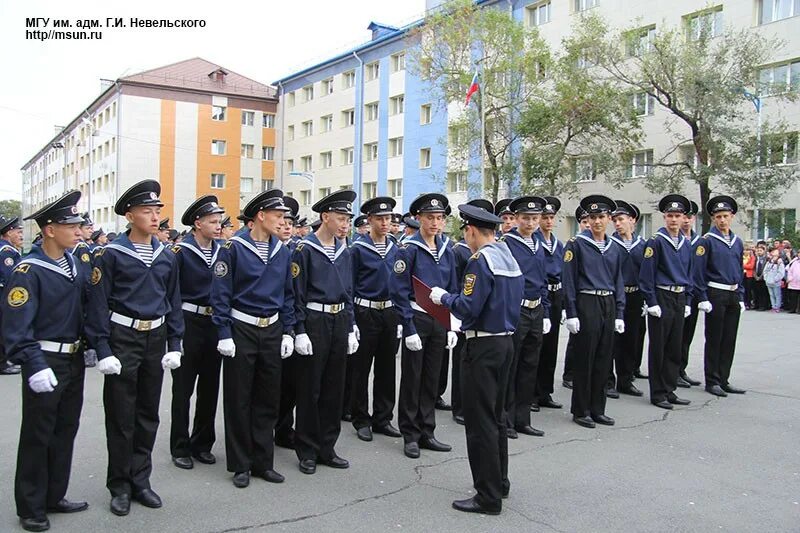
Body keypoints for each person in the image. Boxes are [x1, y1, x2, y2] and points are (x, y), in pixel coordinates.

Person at [85, 179, 184, 516]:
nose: (155, 216)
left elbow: (173, 300)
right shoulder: (109, 254)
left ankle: (141, 480)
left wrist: (175, 342)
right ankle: (120, 485)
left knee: (147, 414)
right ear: (130, 215)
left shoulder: (166, 255)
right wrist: (102, 348)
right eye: (147, 211)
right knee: (121, 416)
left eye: (157, 210)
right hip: (122, 337)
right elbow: (97, 303)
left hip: (154, 338)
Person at [429, 204, 523, 515]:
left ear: (470, 230)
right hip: (505, 342)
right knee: (497, 418)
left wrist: (444, 297)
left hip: (482, 346)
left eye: (465, 232)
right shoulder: (507, 256)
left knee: (480, 423)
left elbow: (468, 307)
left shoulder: (480, 261)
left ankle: (487, 496)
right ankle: (501, 482)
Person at [3, 191, 89, 532]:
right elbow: (16, 325)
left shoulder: (74, 264)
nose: (79, 230)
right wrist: (33, 364)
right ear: (50, 230)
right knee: (38, 435)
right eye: (71, 225)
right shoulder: (28, 270)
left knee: (65, 430)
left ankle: (55, 494)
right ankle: (31, 505)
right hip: (45, 359)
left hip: (74, 357)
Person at [211, 189, 295, 487]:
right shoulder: (232, 248)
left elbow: (288, 294)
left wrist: (288, 330)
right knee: (239, 397)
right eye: (278, 215)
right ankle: (241, 464)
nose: (283, 221)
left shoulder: (282, 250)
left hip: (271, 329)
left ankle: (263, 461)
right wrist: (223, 333)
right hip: (241, 328)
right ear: (261, 215)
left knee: (267, 398)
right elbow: (220, 294)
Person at [291, 189, 359, 475]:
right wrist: (299, 329)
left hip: (339, 319)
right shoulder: (304, 250)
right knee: (310, 388)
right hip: (315, 320)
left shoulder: (345, 251)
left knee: (334, 387)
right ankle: (306, 449)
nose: (345, 225)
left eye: (348, 220)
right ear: (325, 217)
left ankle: (327, 446)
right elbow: (295, 292)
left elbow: (349, 291)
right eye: (341, 218)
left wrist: (352, 326)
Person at [391, 193, 458, 459]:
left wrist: (452, 325)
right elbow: (398, 290)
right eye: (430, 218)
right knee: (413, 378)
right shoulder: (408, 249)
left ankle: (427, 430)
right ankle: (410, 434)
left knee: (432, 377)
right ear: (418, 219)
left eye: (440, 218)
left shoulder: (447, 250)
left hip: (440, 320)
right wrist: (407, 327)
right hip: (417, 318)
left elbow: (452, 287)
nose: (435, 223)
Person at [168, 195, 225, 471]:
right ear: (197, 223)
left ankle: (202, 443)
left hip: (214, 324)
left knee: (210, 388)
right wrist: (174, 334)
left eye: (220, 221)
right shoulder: (180, 252)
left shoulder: (222, 250)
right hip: (188, 322)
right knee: (183, 389)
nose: (218, 226)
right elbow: (172, 294)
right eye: (213, 221)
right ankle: (180, 446)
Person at [562, 196, 625, 428]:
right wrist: (571, 312)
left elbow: (618, 280)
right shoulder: (576, 244)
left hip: (607, 302)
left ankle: (598, 408)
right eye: (592, 218)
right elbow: (568, 279)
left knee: (603, 358)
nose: (597, 222)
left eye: (601, 217)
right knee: (585, 358)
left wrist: (619, 312)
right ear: (587, 220)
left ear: (609, 219)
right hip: (586, 301)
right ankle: (581, 410)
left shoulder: (614, 248)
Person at [349, 197, 403, 442]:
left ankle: (383, 418)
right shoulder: (357, 249)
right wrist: (352, 323)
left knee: (387, 368)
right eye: (380, 218)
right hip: (365, 312)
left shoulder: (395, 247)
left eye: (388, 218)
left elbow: (402, 285)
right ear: (369, 220)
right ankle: (361, 418)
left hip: (390, 312)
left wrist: (402, 317)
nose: (385, 223)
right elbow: (348, 287)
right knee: (361, 369)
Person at [500, 196, 550, 438]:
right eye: (526, 218)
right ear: (516, 219)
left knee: (530, 365)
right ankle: (506, 420)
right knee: (512, 366)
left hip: (536, 309)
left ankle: (523, 419)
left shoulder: (539, 243)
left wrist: (546, 311)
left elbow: (543, 279)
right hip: (516, 309)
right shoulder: (507, 243)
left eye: (534, 218)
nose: (530, 223)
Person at [639, 194, 693, 410]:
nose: (673, 219)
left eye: (677, 215)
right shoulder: (656, 242)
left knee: (674, 346)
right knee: (659, 347)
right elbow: (647, 275)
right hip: (662, 296)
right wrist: (651, 301)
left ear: (683, 218)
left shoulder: (686, 244)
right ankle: (658, 392)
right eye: (670, 215)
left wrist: (688, 299)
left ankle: (670, 389)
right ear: (664, 217)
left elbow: (689, 273)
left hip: (679, 296)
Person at [693, 195, 747, 398]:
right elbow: (698, 272)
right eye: (718, 216)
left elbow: (739, 270)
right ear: (713, 219)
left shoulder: (737, 241)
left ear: (732, 216)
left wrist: (741, 296)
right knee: (715, 338)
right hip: (715, 292)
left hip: (733, 293)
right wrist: (703, 297)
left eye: (725, 216)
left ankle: (724, 378)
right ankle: (712, 380)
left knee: (729, 339)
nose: (722, 220)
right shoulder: (706, 241)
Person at [447, 199, 493, 426]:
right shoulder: (460, 251)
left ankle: (470, 404)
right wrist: (454, 316)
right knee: (462, 363)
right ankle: (460, 406)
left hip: (478, 313)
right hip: (463, 311)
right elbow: (456, 282)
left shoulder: (488, 252)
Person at [608, 200, 646, 397]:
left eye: (621, 219)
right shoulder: (610, 244)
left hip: (636, 295)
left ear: (632, 221)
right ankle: (608, 381)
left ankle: (626, 379)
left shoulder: (643, 245)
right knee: (612, 340)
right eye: (614, 220)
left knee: (632, 339)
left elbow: (647, 272)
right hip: (616, 296)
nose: (617, 224)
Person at [534, 198, 564, 408]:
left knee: (551, 345)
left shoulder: (558, 243)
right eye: (544, 217)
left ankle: (546, 391)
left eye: (551, 217)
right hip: (541, 293)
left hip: (556, 294)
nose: (548, 221)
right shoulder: (534, 241)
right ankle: (532, 393)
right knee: (536, 346)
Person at [561, 206, 591, 390]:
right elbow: (569, 277)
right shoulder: (574, 244)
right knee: (576, 340)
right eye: (585, 221)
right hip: (580, 298)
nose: (589, 225)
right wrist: (568, 306)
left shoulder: (603, 244)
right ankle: (570, 374)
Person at [677, 201, 703, 389]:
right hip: (677, 294)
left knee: (687, 334)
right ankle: (673, 371)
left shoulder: (699, 241)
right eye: (683, 216)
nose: (686, 220)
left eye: (689, 217)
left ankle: (681, 369)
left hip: (692, 295)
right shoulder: (674, 240)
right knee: (675, 335)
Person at [1, 215, 24, 375]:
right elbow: (11, 277)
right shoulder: (7, 251)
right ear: (9, 233)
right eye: (18, 231)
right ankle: (3, 363)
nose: (21, 235)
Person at [752, 243, 769, 310]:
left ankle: (763, 306)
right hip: (756, 278)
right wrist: (755, 276)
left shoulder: (766, 259)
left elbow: (765, 269)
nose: (759, 252)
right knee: (757, 292)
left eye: (760, 251)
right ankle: (757, 305)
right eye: (758, 251)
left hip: (763, 278)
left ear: (764, 251)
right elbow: (754, 268)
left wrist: (761, 276)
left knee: (763, 293)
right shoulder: (756, 259)